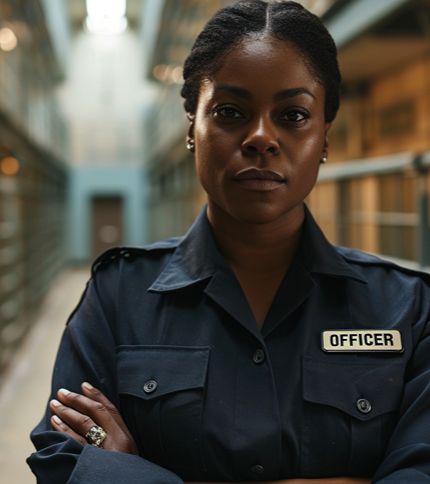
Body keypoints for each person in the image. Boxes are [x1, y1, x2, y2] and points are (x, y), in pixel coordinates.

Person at [28, 1, 430, 482]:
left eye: (294, 115)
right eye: (230, 111)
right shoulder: (118, 296)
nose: (261, 137)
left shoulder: (408, 308)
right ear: (191, 131)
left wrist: (129, 470)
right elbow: (62, 459)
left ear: (324, 138)